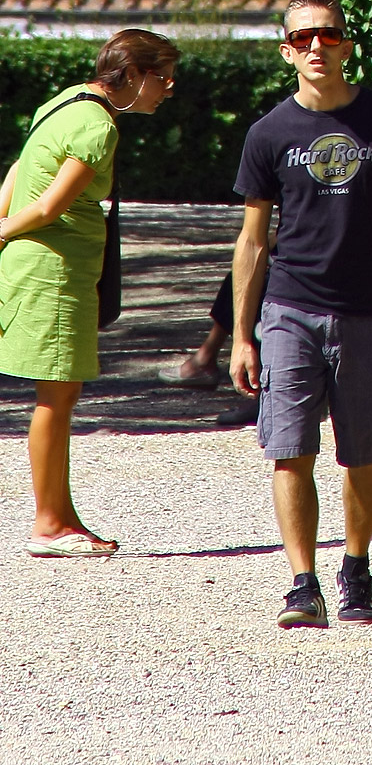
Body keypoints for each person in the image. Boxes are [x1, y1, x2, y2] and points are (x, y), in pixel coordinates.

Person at [230, 0, 372, 632]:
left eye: (328, 34)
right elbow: (253, 241)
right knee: (289, 449)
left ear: (346, 44)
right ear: (287, 52)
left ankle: (355, 567)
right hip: (290, 308)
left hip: (368, 314)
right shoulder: (268, 133)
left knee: (366, 452)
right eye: (303, 37)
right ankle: (302, 582)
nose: (317, 46)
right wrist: (241, 334)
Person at [0, 28, 178, 556]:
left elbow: (18, 172)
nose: (168, 89)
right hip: (53, 272)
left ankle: (64, 516)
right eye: (164, 78)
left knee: (61, 392)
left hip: (40, 268)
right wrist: (2, 229)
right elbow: (49, 206)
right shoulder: (99, 125)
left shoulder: (65, 101)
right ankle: (49, 525)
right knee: (56, 395)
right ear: (136, 74)